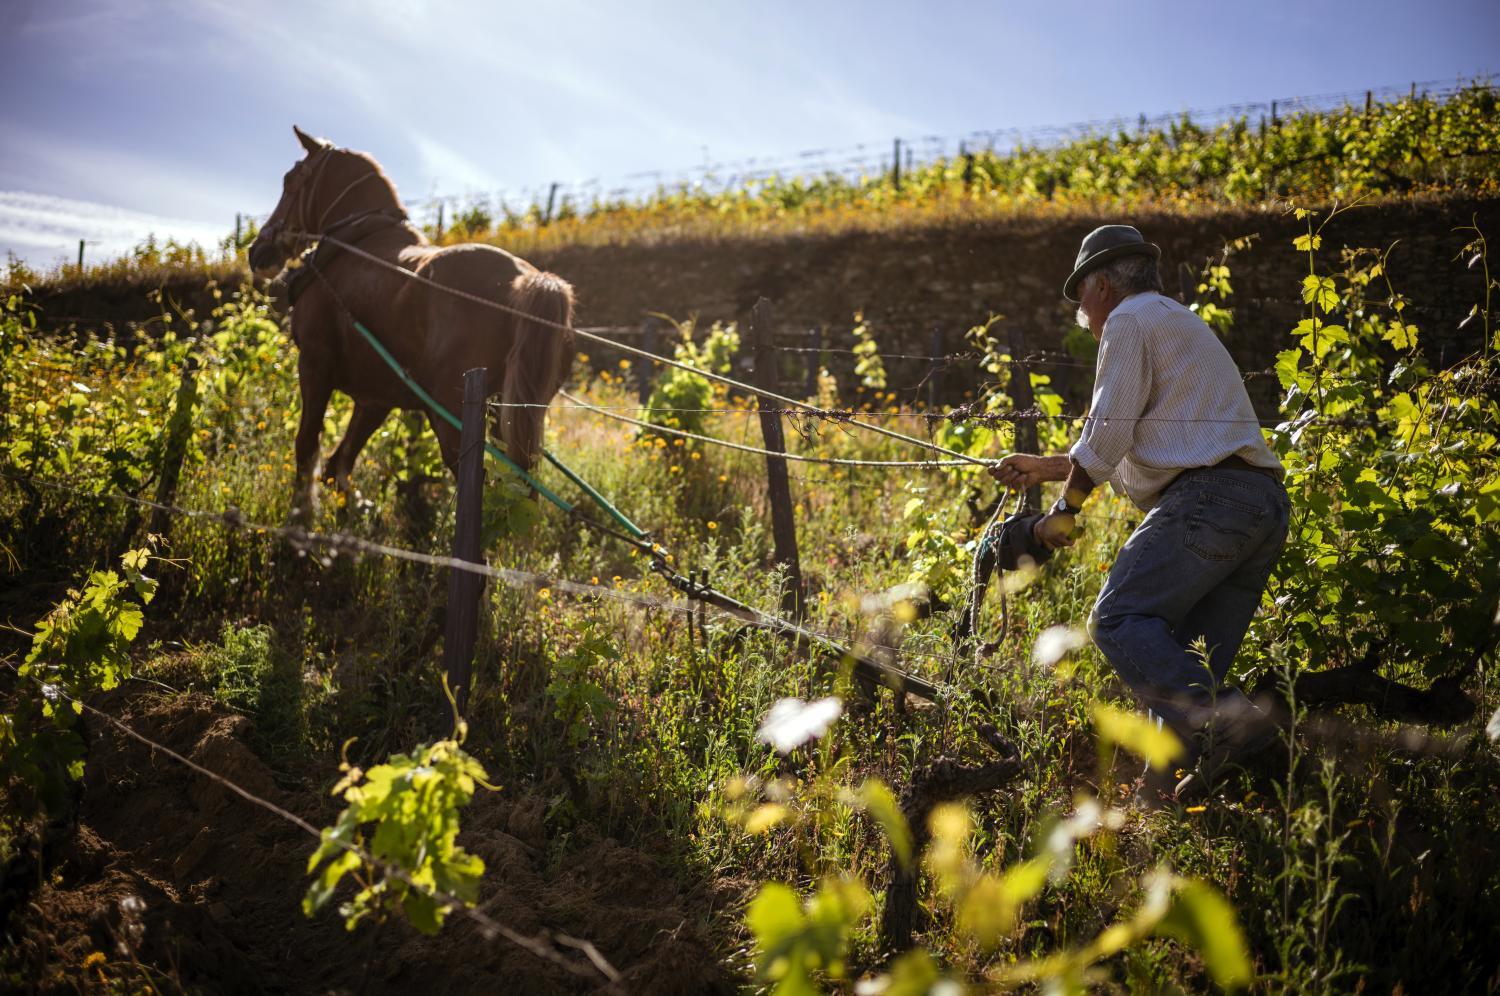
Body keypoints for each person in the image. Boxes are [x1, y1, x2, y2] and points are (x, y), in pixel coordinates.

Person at [992, 224, 1288, 798]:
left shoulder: (1128, 321)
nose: (1083, 312)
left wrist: (1065, 509)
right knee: (1181, 669)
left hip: (1210, 500)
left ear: (1100, 284)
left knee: (1119, 620)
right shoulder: (1175, 320)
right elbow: (1143, 444)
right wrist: (1045, 466)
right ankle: (1160, 807)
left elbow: (1107, 430)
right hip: (1261, 508)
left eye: (1081, 296)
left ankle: (1234, 723)